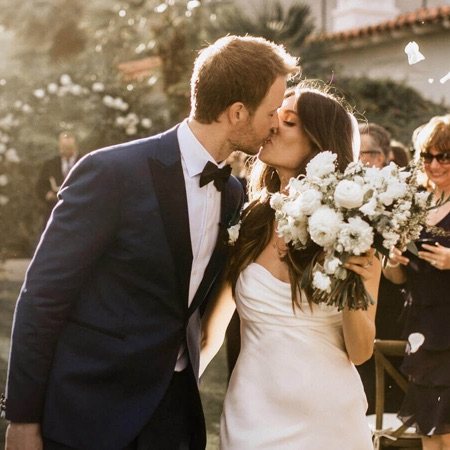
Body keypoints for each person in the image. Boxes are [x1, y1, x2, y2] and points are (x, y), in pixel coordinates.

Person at [1, 35, 299, 450]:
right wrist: (23, 418)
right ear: (236, 113)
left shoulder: (233, 194)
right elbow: (42, 297)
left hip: (172, 416)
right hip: (90, 412)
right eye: (271, 112)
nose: (274, 123)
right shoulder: (111, 173)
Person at [200, 81, 381, 449]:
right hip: (251, 416)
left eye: (289, 121)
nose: (272, 126)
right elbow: (212, 331)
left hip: (328, 422)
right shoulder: (249, 222)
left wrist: (346, 276)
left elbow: (360, 351)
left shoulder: (355, 225)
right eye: (274, 117)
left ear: (319, 143)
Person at [384, 114, 450, 450]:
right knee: (429, 430)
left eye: (444, 156)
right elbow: (397, 278)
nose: (434, 164)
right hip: (421, 327)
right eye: (427, 156)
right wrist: (392, 262)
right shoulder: (416, 206)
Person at [357, 121, 406, 415]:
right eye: (356, 151)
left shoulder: (398, 196)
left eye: (367, 152)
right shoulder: (340, 193)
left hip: (387, 305)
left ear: (384, 156)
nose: (360, 159)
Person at [36, 131, 81, 226]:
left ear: (76, 145)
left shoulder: (84, 161)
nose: (66, 150)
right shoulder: (50, 164)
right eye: (63, 147)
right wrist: (48, 195)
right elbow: (40, 186)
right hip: (56, 211)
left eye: (69, 147)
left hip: (80, 210)